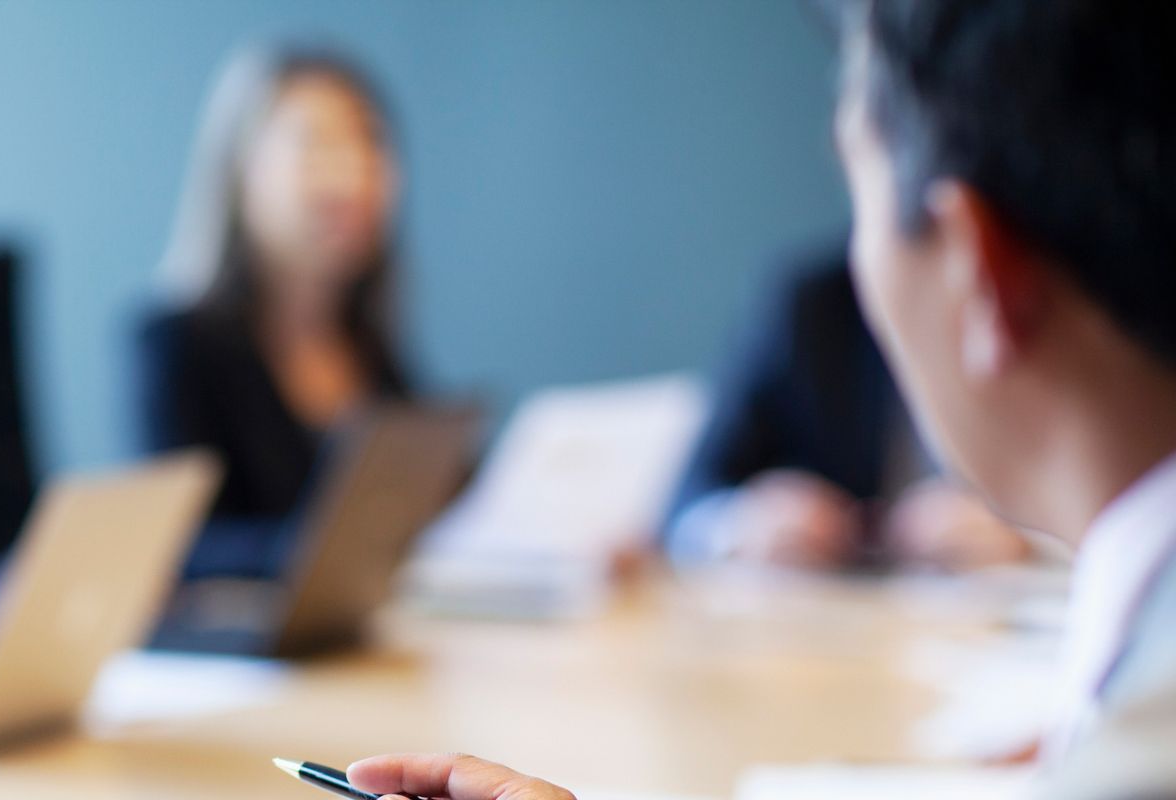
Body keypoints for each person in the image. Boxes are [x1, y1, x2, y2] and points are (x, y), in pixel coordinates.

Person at [352, 0, 1176, 795]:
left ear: (979, 272)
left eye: (864, 194)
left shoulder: (1144, 755)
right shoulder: (1131, 686)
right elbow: (698, 493)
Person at [138, 43, 412, 579]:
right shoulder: (180, 343)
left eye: (370, 142)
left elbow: (444, 497)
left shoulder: (366, 341)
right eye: (316, 144)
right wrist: (336, 548)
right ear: (241, 170)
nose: (353, 173)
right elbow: (177, 546)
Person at [665, 243, 1032, 572]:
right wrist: (742, 523)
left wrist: (1024, 529)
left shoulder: (1036, 294)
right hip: (823, 619)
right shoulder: (812, 303)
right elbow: (687, 501)